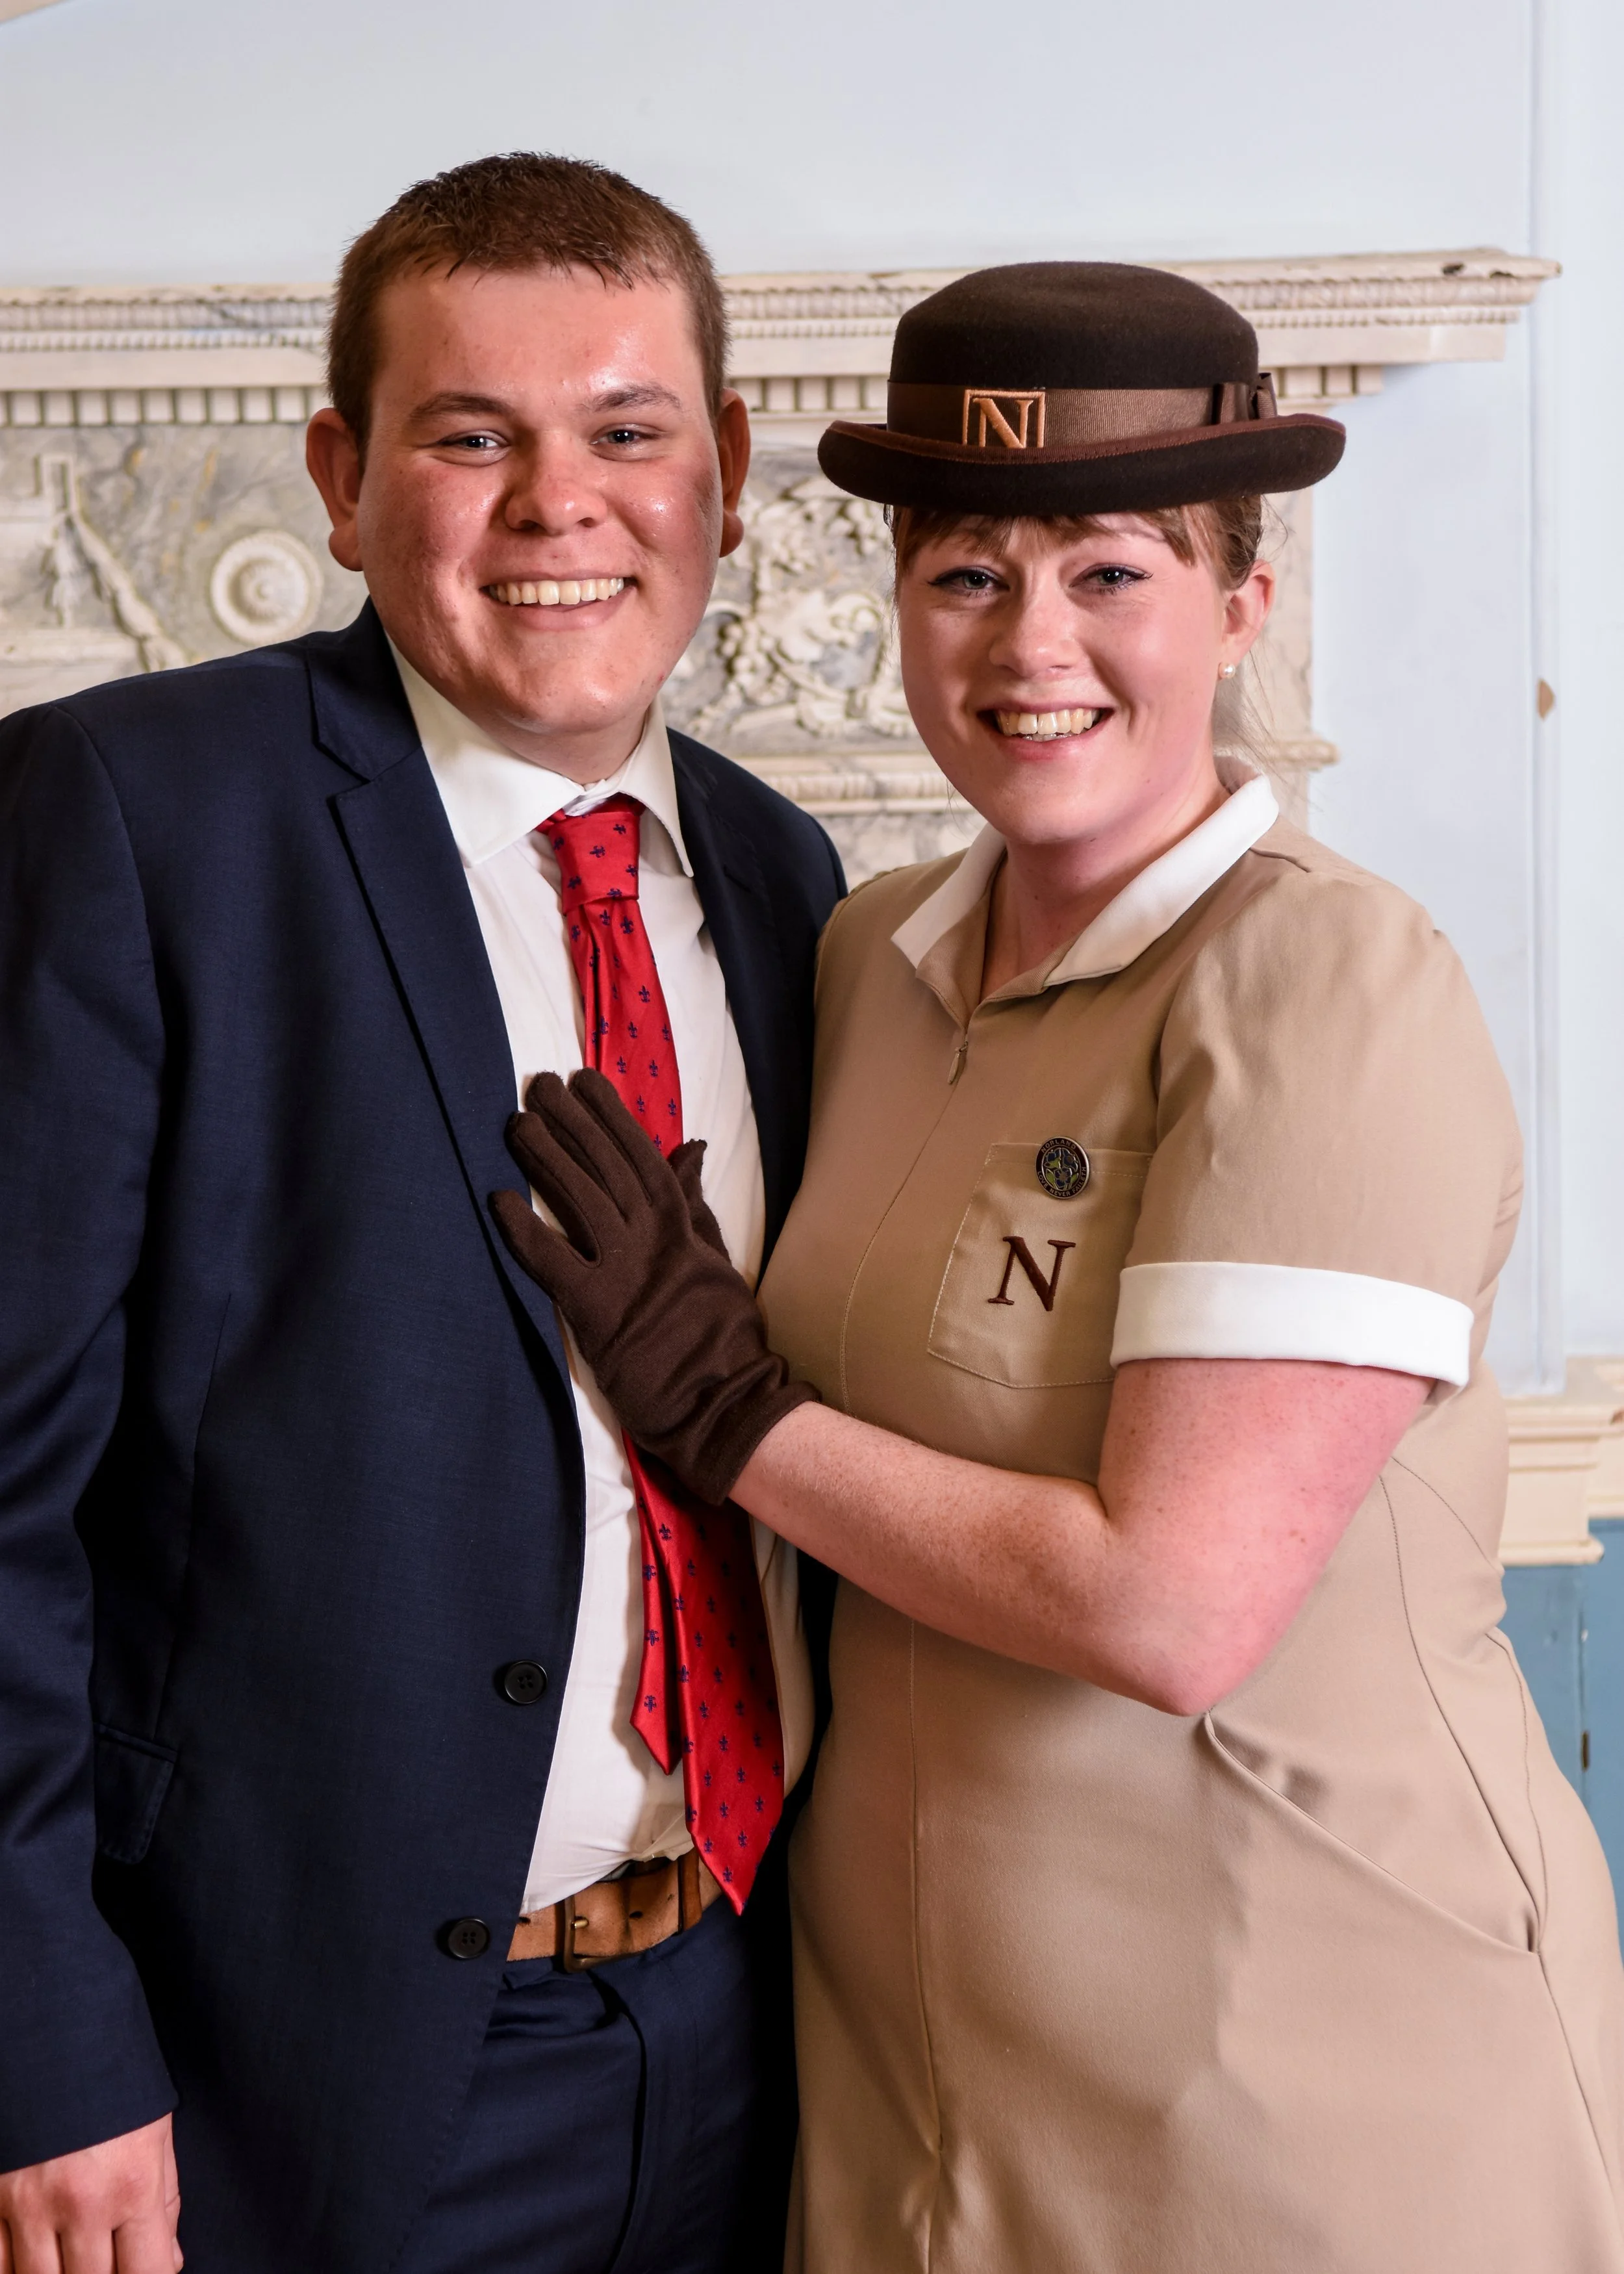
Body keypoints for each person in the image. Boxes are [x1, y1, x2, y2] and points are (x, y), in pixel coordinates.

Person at [493, 262, 1624, 2272]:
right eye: (964, 577)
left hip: (1285, 2078)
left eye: (1110, 573)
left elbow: (1172, 1603)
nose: (1032, 648)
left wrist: (733, 1409)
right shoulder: (867, 950)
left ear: (1238, 607)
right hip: (912, 2082)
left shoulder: (1323, 981)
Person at [0, 154, 843, 2274]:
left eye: (628, 431)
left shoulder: (784, 875)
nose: (560, 503)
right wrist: (42, 2044)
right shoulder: (131, 817)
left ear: (725, 470)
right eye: (473, 435)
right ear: (343, 472)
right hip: (293, 2064)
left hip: (742, 2014)